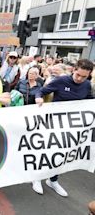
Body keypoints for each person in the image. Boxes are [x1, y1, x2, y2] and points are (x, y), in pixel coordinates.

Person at [33, 59, 94, 197]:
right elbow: (40, 91)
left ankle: (53, 180)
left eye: (84, 76)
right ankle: (37, 178)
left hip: (73, 126)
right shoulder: (61, 81)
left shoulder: (87, 85)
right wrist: (38, 98)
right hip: (54, 123)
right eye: (78, 75)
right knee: (47, 152)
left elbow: (90, 101)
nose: (80, 79)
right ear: (74, 70)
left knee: (63, 154)